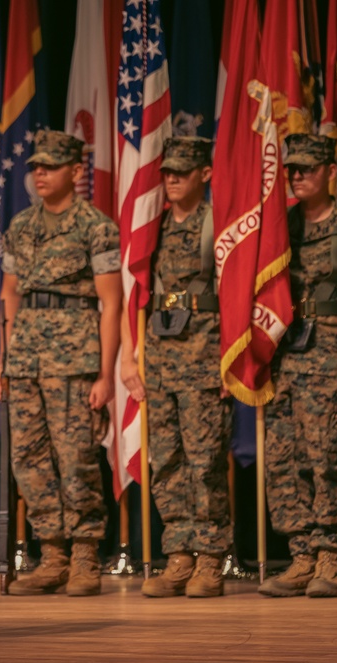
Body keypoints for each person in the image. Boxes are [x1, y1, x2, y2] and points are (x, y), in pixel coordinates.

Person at [0, 130, 122, 596]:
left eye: (50, 165)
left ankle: (86, 556)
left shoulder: (96, 226)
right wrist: (2, 359)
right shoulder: (21, 226)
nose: (40, 173)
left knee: (77, 458)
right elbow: (9, 294)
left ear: (76, 171)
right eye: (35, 167)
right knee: (29, 459)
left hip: (75, 357)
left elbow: (112, 303)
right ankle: (53, 555)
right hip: (25, 356)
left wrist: (106, 374)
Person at [257, 134, 337, 598]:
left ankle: (330, 557)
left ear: (330, 171)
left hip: (330, 357)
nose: (297, 176)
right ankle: (301, 555)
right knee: (284, 461)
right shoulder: (277, 229)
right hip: (285, 359)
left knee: (327, 457)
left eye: (308, 168)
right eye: (292, 169)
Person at [122, 136, 231, 598]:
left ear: (204, 174)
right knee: (165, 461)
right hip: (162, 360)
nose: (171, 181)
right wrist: (129, 355)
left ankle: (210, 558)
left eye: (181, 173)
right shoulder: (152, 228)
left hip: (206, 358)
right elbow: (133, 294)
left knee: (205, 462)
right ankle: (179, 554)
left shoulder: (219, 225)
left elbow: (238, 295)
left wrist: (232, 361)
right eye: (166, 173)